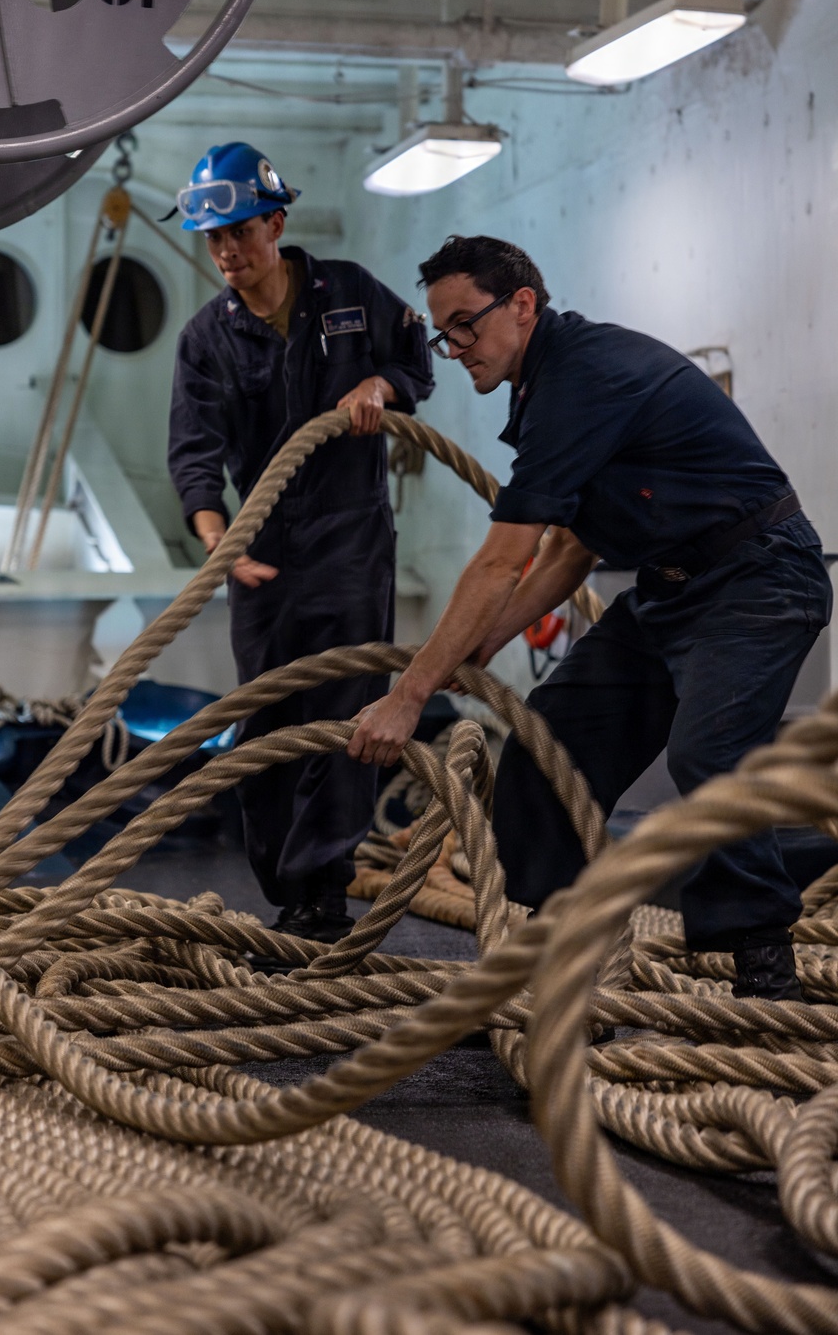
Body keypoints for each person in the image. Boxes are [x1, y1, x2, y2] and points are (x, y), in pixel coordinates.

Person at [347, 234, 832, 1000]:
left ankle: (765, 970)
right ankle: (548, 955)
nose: (455, 348)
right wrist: (487, 646)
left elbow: (501, 561)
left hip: (759, 580)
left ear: (523, 305)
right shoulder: (542, 388)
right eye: (443, 334)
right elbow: (569, 551)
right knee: (550, 740)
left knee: (708, 759)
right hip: (672, 594)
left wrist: (412, 695)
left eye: (466, 325)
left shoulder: (581, 377)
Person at [167, 142, 434, 942]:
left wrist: (380, 385)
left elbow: (415, 356)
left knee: (347, 716)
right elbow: (193, 456)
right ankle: (286, 882)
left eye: (239, 235)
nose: (226, 254)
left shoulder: (349, 292)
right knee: (269, 723)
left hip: (353, 538)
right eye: (213, 241)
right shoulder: (205, 339)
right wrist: (220, 541)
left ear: (276, 223)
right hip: (262, 554)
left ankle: (324, 888)